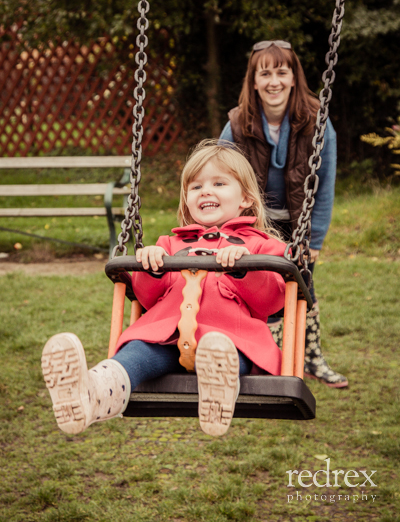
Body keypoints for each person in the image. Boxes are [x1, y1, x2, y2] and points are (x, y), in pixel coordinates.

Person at [41, 140, 288, 438]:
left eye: (219, 183)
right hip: (165, 339)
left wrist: (244, 268)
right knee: (132, 356)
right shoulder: (169, 245)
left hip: (231, 340)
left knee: (222, 353)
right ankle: (88, 396)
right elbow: (148, 297)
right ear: (187, 199)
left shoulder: (261, 245)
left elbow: (271, 300)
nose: (206, 191)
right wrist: (152, 268)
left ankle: (218, 398)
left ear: (245, 197)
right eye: (196, 187)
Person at [219, 39, 348, 388]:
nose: (273, 81)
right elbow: (218, 176)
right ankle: (265, 357)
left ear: (293, 78)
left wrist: (314, 237)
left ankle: (312, 359)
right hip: (254, 223)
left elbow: (325, 184)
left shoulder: (317, 123)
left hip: (298, 221)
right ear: (254, 81)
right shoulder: (237, 125)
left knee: (303, 285)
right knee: (260, 288)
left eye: (281, 71)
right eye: (265, 73)